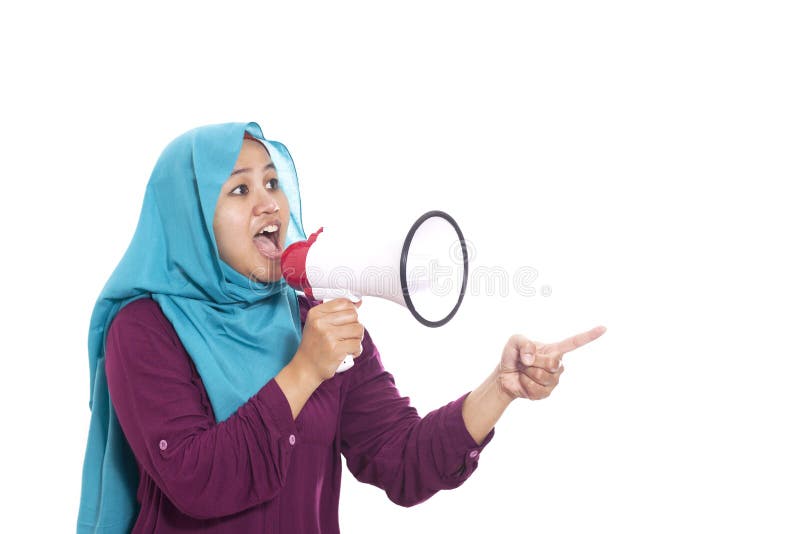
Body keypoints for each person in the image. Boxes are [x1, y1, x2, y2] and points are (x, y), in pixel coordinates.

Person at [76, 122, 606, 533]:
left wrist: (500, 388)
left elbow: (400, 458)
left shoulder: (312, 317)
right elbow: (196, 480)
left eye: (272, 182)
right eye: (238, 190)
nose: (269, 202)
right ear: (187, 215)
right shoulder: (143, 328)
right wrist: (305, 370)